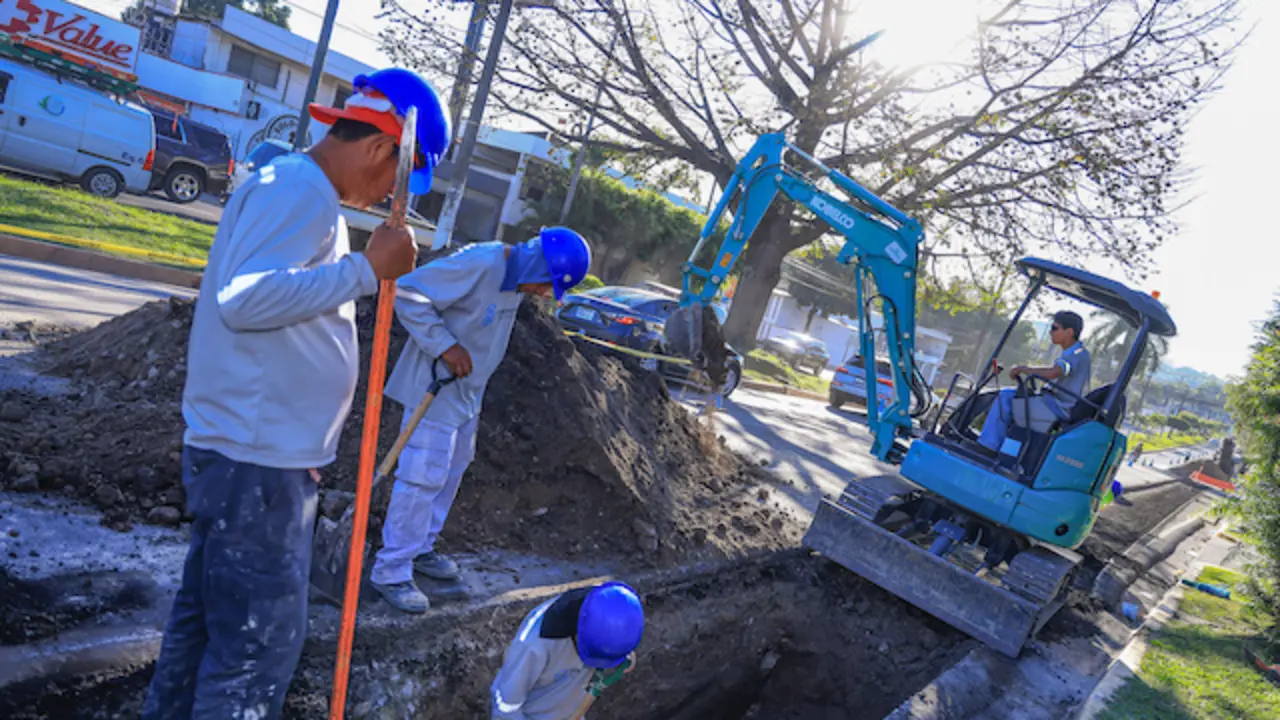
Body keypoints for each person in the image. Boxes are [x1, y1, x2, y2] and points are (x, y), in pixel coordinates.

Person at [141, 68, 451, 720]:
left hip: (251, 461)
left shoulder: (298, 189)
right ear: (378, 149)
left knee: (205, 636)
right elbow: (246, 299)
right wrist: (367, 270)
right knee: (257, 651)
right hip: (258, 468)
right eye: (396, 180)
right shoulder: (301, 193)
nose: (384, 198)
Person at [369, 227, 592, 612]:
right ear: (537, 264)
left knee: (453, 470)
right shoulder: (479, 264)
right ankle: (391, 571)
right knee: (422, 479)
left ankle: (422, 550)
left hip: (467, 396)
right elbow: (406, 292)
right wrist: (445, 346)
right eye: (547, 284)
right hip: (434, 390)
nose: (543, 294)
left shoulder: (515, 278)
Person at [491, 581, 644, 720]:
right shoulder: (534, 644)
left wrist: (620, 652)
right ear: (580, 630)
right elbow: (505, 707)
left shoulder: (611, 607)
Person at [979, 311, 1091, 454]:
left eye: (1054, 328)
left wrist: (1024, 369)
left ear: (1069, 332)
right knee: (1014, 396)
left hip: (1057, 406)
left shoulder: (1075, 353)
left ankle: (987, 447)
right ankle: (1003, 449)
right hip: (1053, 402)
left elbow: (1054, 372)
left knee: (1006, 397)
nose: (1050, 332)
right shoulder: (1076, 352)